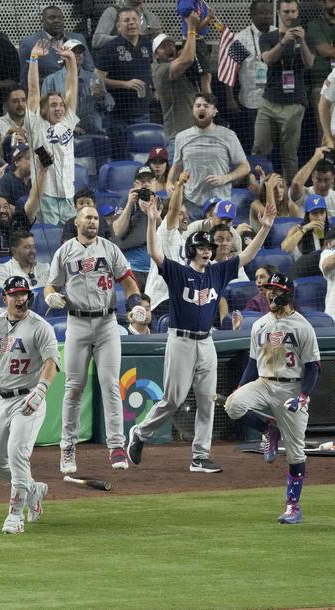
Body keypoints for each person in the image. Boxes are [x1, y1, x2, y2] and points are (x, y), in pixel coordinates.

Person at [128, 195, 276, 473]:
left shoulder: (218, 272)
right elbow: (154, 252)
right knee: (172, 399)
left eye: (209, 247)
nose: (208, 251)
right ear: (191, 251)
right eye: (202, 248)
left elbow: (246, 256)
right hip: (180, 340)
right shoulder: (177, 272)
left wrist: (265, 228)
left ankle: (200, 455)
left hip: (206, 341)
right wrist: (151, 221)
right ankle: (141, 433)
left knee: (207, 399)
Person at [44, 205, 142, 472]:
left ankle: (116, 446)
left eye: (96, 218)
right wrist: (50, 296)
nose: (93, 221)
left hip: (107, 322)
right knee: (73, 387)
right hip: (77, 322)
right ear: (77, 222)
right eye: (88, 217)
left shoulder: (110, 249)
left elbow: (128, 281)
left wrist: (134, 303)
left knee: (111, 384)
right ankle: (67, 448)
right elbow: (50, 285)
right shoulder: (64, 252)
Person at [224, 273, 319, 524]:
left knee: (296, 454)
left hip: (292, 388)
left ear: (287, 293)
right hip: (264, 382)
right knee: (233, 405)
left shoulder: (302, 326)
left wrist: (303, 396)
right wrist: (240, 386)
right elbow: (254, 363)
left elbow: (313, 367)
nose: (270, 294)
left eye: (276, 289)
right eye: (268, 289)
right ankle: (269, 429)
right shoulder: (260, 324)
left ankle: (293, 507)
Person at [0, 275, 58, 534]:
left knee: (17, 454)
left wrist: (41, 390)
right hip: (2, 400)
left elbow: (51, 363)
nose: (19, 298)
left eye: (23, 294)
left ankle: (15, 515)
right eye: (14, 294)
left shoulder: (40, 326)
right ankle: (33, 490)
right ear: (5, 297)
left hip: (28, 400)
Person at [254, 0, 314, 182]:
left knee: (290, 153)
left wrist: (301, 41)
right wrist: (284, 41)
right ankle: (260, 188)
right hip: (269, 102)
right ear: (279, 13)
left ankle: (289, 195)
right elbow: (267, 59)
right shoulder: (268, 37)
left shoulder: (306, 36)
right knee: (260, 147)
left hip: (294, 104)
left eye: (293, 11)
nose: (290, 15)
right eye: (286, 11)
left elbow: (309, 63)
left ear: (298, 12)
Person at [168, 94, 250, 220]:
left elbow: (245, 167)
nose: (201, 108)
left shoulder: (228, 135)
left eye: (206, 106)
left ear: (214, 111)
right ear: (193, 110)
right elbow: (176, 166)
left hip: (219, 204)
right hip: (191, 203)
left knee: (218, 239)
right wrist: (169, 182)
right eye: (198, 106)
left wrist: (226, 178)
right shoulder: (181, 137)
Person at [25, 39, 79, 225]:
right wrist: (34, 58)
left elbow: (71, 89)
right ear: (44, 109)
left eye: (61, 105)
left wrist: (70, 61)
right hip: (46, 195)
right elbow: (33, 92)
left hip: (68, 195)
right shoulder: (36, 125)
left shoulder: (67, 123)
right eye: (53, 105)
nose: (59, 109)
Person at [94, 7, 154, 151]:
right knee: (120, 154)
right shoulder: (110, 48)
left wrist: (155, 89)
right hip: (117, 115)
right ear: (118, 26)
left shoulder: (148, 44)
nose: (131, 23)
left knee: (142, 154)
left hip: (143, 112)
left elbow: (152, 70)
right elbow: (97, 79)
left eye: (134, 19)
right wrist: (125, 84)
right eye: (126, 20)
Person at [224, 0, 277, 149]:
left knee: (274, 143)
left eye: (269, 12)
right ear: (252, 15)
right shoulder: (241, 38)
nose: (267, 16)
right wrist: (230, 98)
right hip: (251, 101)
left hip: (276, 99)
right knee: (256, 143)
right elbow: (231, 69)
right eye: (262, 12)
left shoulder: (278, 35)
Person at [151, 16, 203, 151]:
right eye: (163, 47)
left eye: (171, 45)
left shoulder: (185, 73)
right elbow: (187, 59)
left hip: (195, 136)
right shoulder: (160, 70)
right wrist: (191, 28)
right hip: (178, 139)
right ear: (156, 55)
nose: (169, 48)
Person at [41, 39, 112, 136]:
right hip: (63, 133)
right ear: (63, 56)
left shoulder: (94, 78)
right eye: (73, 52)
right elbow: (45, 111)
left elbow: (109, 106)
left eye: (80, 52)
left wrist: (101, 97)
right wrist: (67, 126)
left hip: (94, 132)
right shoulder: (51, 80)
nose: (78, 54)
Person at [19, 6, 95, 86]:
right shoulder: (29, 43)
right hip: (47, 93)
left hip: (79, 89)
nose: (57, 21)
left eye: (60, 18)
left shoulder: (78, 38)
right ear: (42, 21)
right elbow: (26, 78)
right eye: (52, 18)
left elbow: (89, 68)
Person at [93, 0, 162, 49]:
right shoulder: (112, 12)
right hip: (119, 62)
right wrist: (125, 39)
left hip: (144, 63)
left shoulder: (150, 17)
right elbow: (97, 41)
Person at [290, 147, 335, 211]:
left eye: (326, 180)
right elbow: (296, 184)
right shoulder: (304, 195)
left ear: (333, 178)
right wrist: (316, 157)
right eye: (318, 180)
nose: (322, 185)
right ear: (312, 177)